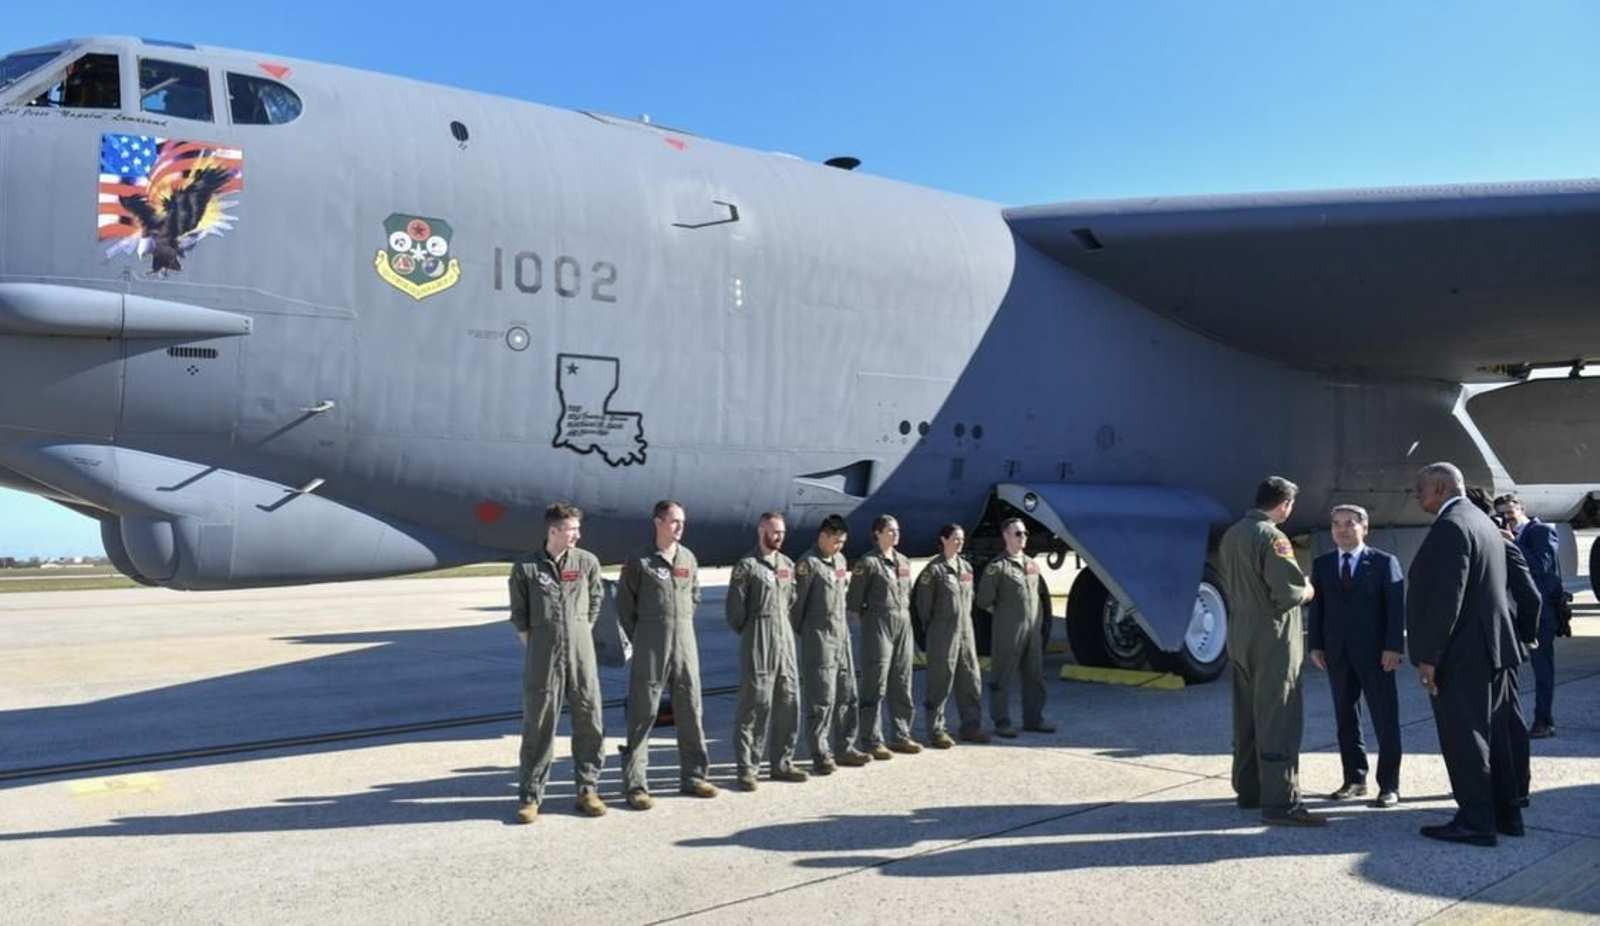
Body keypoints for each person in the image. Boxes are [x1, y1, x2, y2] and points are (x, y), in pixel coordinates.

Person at [1408, 463, 1519, 845]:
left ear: (1438, 488)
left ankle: (1475, 820)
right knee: (1495, 736)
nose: (1417, 497)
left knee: (1465, 738)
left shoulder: (1451, 526)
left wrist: (1429, 656)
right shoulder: (1483, 520)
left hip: (1462, 653)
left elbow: (1446, 600)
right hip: (1494, 646)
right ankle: (1505, 814)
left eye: (1419, 490)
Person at [1217, 476, 1320, 826]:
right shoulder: (1273, 538)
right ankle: (1282, 803)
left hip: (1239, 632)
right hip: (1272, 638)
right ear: (1284, 504)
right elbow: (1287, 593)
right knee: (1280, 716)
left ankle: (1249, 790)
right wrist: (1308, 588)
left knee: (1245, 715)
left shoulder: (1232, 534)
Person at [615, 500, 719, 810]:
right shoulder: (640, 560)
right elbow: (625, 606)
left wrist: (678, 626)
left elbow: (695, 597)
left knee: (690, 708)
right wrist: (645, 635)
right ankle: (636, 785)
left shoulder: (688, 558)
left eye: (682, 521)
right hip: (651, 641)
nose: (680, 526)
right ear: (658, 522)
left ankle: (694, 776)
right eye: (674, 521)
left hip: (685, 641)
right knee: (642, 712)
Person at [509, 503, 607, 823]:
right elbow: (520, 619)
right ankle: (530, 796)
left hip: (581, 653)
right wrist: (542, 645)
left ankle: (588, 789)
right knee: (538, 725)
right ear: (553, 531)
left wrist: (578, 630)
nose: (577, 534)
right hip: (543, 656)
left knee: (589, 721)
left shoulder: (587, 562)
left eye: (578, 528)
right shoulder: (526, 568)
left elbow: (595, 601)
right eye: (571, 529)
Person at [1307, 504, 1405, 808]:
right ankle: (1354, 779)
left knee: (1385, 719)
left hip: (1377, 654)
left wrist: (1393, 647)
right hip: (1338, 654)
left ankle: (1389, 785)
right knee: (1345, 718)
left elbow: (1396, 609)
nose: (1342, 529)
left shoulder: (1384, 562)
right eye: (1336, 524)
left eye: (1349, 523)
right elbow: (1318, 609)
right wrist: (1316, 645)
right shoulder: (1323, 564)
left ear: (1365, 528)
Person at [1467, 488, 1542, 809]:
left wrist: (1526, 635)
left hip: (1503, 641)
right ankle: (1502, 784)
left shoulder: (1499, 542)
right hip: (1482, 644)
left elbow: (1531, 596)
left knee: (1509, 720)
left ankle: (1518, 787)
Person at [726, 511, 808, 790]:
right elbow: (735, 611)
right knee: (755, 704)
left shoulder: (787, 564)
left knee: (788, 701)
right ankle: (748, 768)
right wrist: (753, 632)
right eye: (775, 532)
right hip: (758, 637)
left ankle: (782, 763)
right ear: (761, 531)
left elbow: (792, 599)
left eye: (782, 532)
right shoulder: (746, 566)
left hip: (784, 638)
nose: (780, 536)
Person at [792, 515, 871, 774]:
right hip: (819, 638)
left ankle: (845, 746)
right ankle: (820, 751)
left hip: (841, 636)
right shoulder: (808, 564)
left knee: (848, 693)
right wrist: (812, 636)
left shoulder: (839, 561)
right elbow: (796, 608)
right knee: (821, 697)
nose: (839, 547)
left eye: (843, 542)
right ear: (823, 537)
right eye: (836, 541)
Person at [847, 515, 923, 758]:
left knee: (902, 680)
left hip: (903, 621)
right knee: (875, 681)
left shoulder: (903, 561)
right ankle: (871, 739)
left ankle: (901, 735)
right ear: (877, 533)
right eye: (890, 530)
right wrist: (870, 624)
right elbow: (854, 603)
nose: (896, 534)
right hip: (878, 623)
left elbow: (908, 593)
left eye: (897, 530)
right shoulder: (867, 563)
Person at [975, 517, 1054, 739]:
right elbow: (983, 600)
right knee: (1002, 677)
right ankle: (1002, 721)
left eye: (1025, 533)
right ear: (1006, 536)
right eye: (1018, 534)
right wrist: (1005, 615)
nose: (1023, 538)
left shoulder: (1032, 565)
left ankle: (1034, 719)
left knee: (1035, 677)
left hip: (1032, 632)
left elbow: (1036, 596)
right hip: (1008, 631)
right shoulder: (997, 567)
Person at [1494, 493, 1563, 738]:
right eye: (1501, 514)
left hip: (1539, 613)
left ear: (1521, 509)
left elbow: (1541, 566)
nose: (1507, 518)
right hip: (1510, 609)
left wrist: (1513, 543)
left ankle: (1544, 720)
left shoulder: (1541, 531)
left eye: (1510, 513)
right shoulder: (1499, 536)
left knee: (1542, 668)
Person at [914, 523, 988, 747]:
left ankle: (971, 727)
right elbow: (923, 606)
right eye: (955, 538)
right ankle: (936, 730)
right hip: (942, 632)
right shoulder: (933, 570)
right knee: (940, 681)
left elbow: (970, 598)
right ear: (944, 540)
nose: (960, 542)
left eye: (962, 538)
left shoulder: (966, 568)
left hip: (966, 632)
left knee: (970, 680)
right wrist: (937, 626)